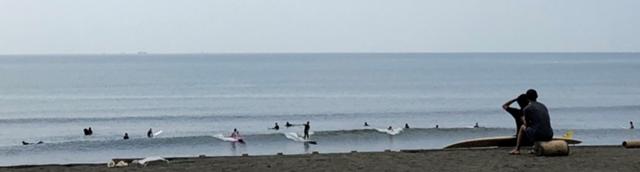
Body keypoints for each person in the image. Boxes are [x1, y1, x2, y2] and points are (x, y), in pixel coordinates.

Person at [511, 89, 553, 155]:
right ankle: (535, 148)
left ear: (527, 98)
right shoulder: (543, 106)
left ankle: (517, 149)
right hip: (549, 134)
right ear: (537, 96)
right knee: (536, 127)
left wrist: (523, 120)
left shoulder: (527, 109)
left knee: (523, 127)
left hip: (538, 135)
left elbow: (526, 125)